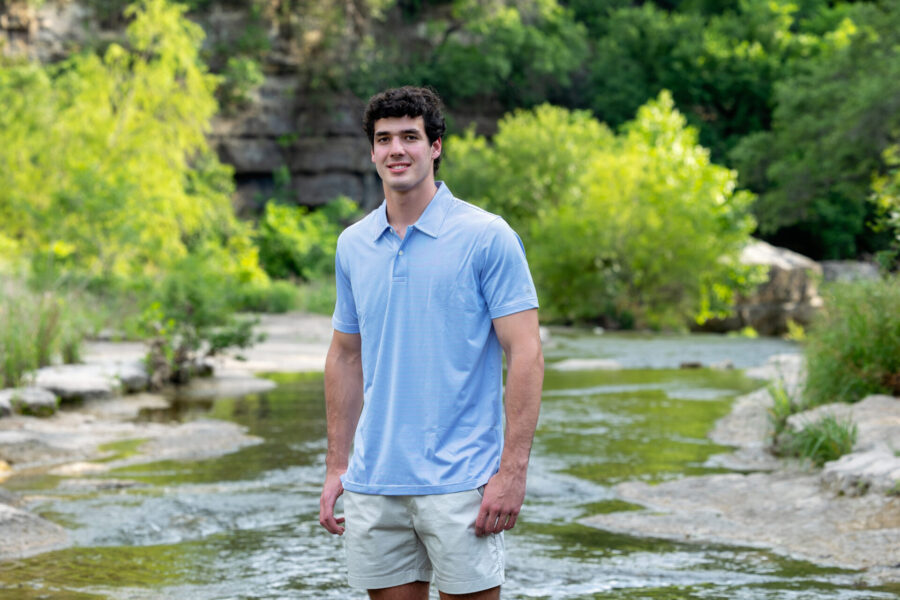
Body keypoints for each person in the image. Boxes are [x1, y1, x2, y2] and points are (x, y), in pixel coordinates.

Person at [319, 85, 544, 600]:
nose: (396, 149)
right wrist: (338, 466)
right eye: (383, 139)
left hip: (462, 483)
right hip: (374, 483)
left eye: (410, 137)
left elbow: (526, 352)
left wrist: (512, 471)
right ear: (372, 151)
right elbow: (345, 355)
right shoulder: (352, 244)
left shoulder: (487, 236)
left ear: (435, 146)